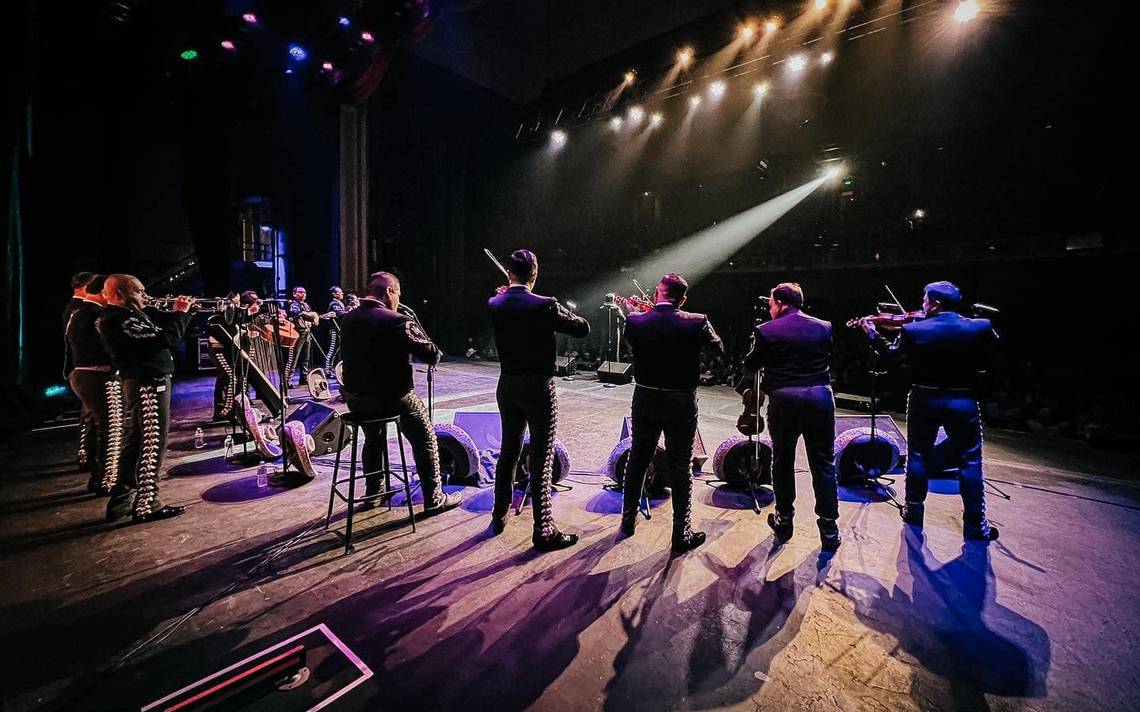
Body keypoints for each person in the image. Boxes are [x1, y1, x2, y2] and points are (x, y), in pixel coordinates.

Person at [857, 281, 1000, 541]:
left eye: (924, 299)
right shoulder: (981, 326)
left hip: (925, 396)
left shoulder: (915, 331)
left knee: (918, 456)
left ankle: (913, 511)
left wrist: (871, 334)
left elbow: (891, 355)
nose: (922, 304)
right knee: (970, 461)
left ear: (934, 303)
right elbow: (991, 358)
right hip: (963, 398)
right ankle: (976, 525)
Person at [488, 249, 590, 551]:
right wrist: (551, 309)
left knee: (509, 450)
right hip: (538, 387)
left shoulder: (495, 302)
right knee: (542, 458)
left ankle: (499, 513)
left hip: (506, 385)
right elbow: (581, 327)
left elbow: (508, 304)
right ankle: (543, 530)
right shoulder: (546, 305)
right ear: (535, 273)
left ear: (509, 273)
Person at [338, 272, 462, 515]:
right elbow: (432, 354)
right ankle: (434, 497)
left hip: (356, 400)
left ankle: (374, 493)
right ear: (390, 292)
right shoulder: (396, 320)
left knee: (374, 439)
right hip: (392, 398)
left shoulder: (349, 318)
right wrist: (413, 325)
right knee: (425, 437)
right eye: (398, 295)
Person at [621, 273, 723, 552]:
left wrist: (642, 314)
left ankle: (627, 521)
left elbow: (634, 344)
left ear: (657, 293)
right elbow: (718, 348)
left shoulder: (635, 320)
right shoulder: (696, 321)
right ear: (683, 298)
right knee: (680, 464)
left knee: (639, 458)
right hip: (681, 400)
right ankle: (682, 533)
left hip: (645, 397)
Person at [743, 283, 840, 552]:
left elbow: (751, 365)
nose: (770, 308)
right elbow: (827, 356)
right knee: (823, 463)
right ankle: (829, 529)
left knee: (783, 460)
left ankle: (784, 520)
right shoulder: (824, 326)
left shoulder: (766, 330)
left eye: (771, 304)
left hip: (785, 400)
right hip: (820, 398)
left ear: (781, 303)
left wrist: (755, 347)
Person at [97, 275, 192, 524]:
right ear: (118, 294)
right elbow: (165, 340)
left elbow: (157, 336)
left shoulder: (127, 316)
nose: (144, 296)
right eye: (139, 291)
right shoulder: (119, 319)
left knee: (135, 443)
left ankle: (120, 504)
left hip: (145, 382)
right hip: (149, 384)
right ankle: (147, 505)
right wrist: (181, 314)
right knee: (152, 445)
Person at [65, 275, 121, 495]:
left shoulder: (76, 312)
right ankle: (106, 479)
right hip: (99, 375)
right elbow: (112, 347)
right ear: (102, 293)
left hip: (82, 373)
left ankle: (95, 470)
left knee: (97, 425)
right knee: (111, 429)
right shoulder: (98, 316)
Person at [206, 291, 260, 421]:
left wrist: (247, 334)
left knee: (231, 377)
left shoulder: (236, 312)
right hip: (218, 349)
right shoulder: (225, 309)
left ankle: (232, 409)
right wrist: (248, 312)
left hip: (228, 349)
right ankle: (222, 411)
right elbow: (228, 322)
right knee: (228, 377)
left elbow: (235, 329)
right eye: (235, 297)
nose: (237, 300)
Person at [64, 271, 98, 469]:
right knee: (95, 420)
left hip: (80, 369)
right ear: (86, 287)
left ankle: (85, 455)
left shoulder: (75, 308)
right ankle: (90, 459)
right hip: (86, 369)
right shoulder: (80, 309)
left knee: (89, 417)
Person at [285, 286, 319, 386]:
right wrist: (312, 316)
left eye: (304, 292)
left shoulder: (306, 305)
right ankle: (288, 380)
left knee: (306, 357)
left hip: (307, 332)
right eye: (300, 292)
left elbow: (311, 316)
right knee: (295, 357)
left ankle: (304, 378)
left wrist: (313, 316)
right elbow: (299, 314)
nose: (303, 294)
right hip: (298, 332)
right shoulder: (293, 304)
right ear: (294, 294)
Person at [325, 286, 347, 370]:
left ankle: (331, 368)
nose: (342, 293)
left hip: (339, 329)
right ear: (334, 294)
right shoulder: (334, 304)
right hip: (334, 330)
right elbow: (341, 314)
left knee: (336, 351)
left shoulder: (340, 303)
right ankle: (328, 370)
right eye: (339, 292)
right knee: (332, 350)